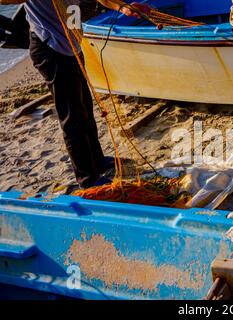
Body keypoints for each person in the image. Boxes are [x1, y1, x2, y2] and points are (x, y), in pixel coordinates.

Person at [0, 0, 149, 188]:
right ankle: (87, 178)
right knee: (72, 116)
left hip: (72, 45)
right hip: (51, 48)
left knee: (85, 107)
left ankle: (98, 161)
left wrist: (122, 7)